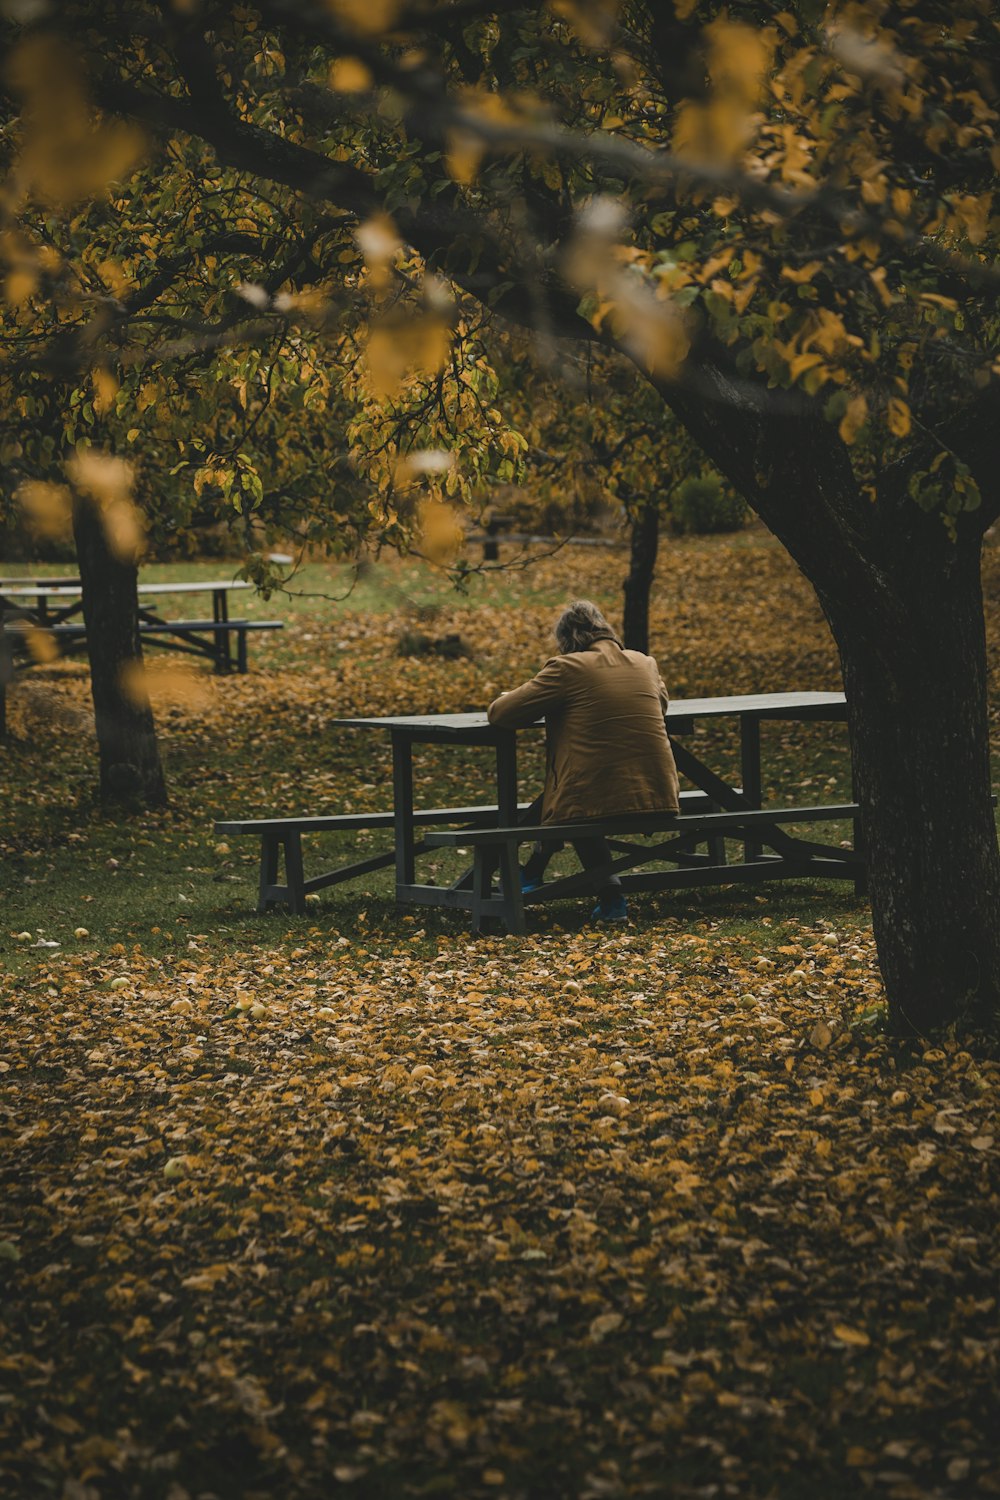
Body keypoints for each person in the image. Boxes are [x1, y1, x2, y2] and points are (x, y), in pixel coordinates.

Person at [487, 599, 680, 922]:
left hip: (594, 799)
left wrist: (509, 695)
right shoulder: (644, 663)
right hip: (658, 790)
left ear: (566, 640)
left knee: (578, 798)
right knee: (571, 789)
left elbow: (501, 715)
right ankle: (533, 870)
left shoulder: (568, 669)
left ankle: (611, 896)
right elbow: (660, 705)